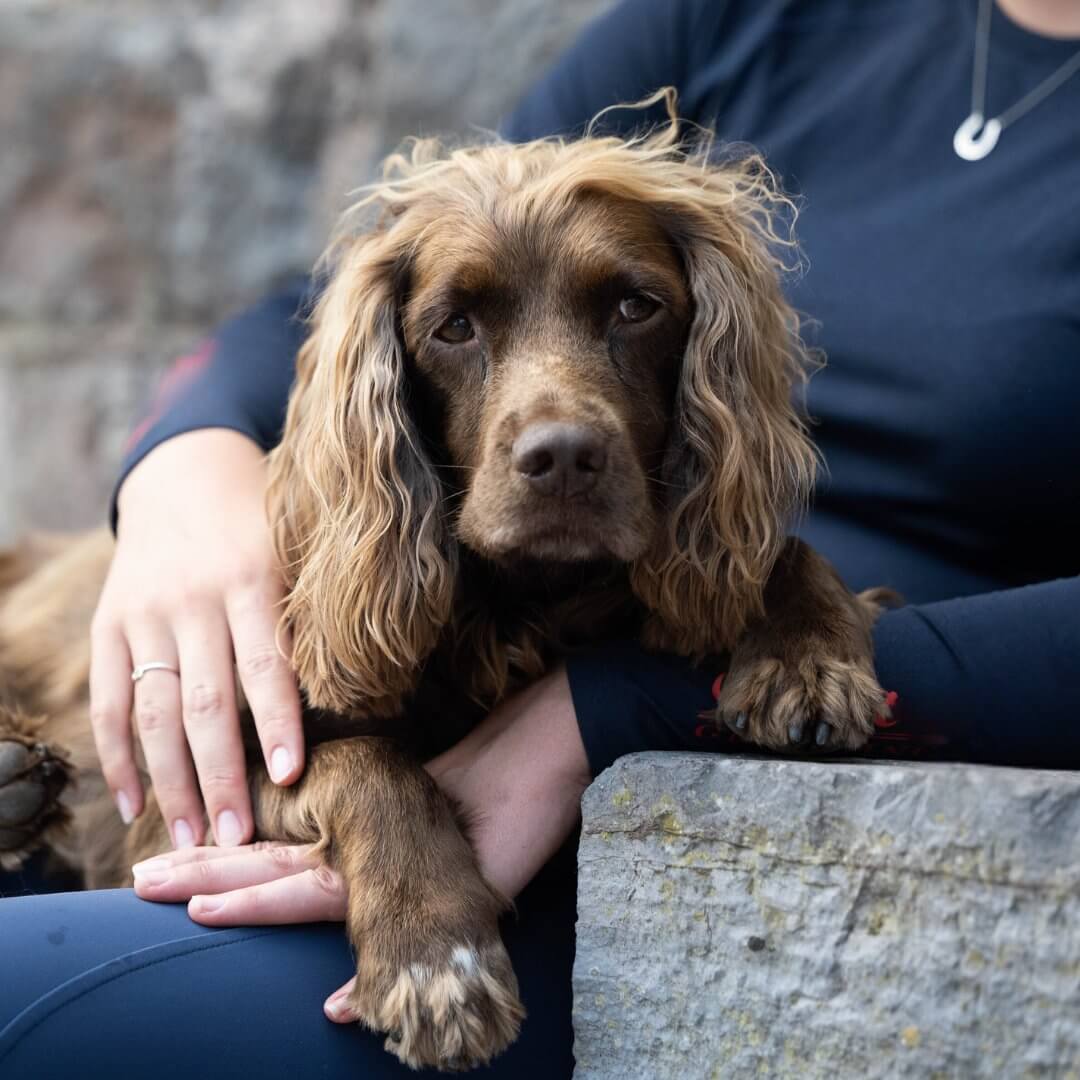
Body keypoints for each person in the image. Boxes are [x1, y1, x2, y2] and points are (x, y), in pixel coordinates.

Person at [2, 0, 1078, 1075]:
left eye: (631, 311)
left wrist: (615, 703)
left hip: (738, 721)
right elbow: (367, 279)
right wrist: (181, 465)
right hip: (257, 673)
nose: (557, 422)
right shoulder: (748, 19)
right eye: (460, 331)